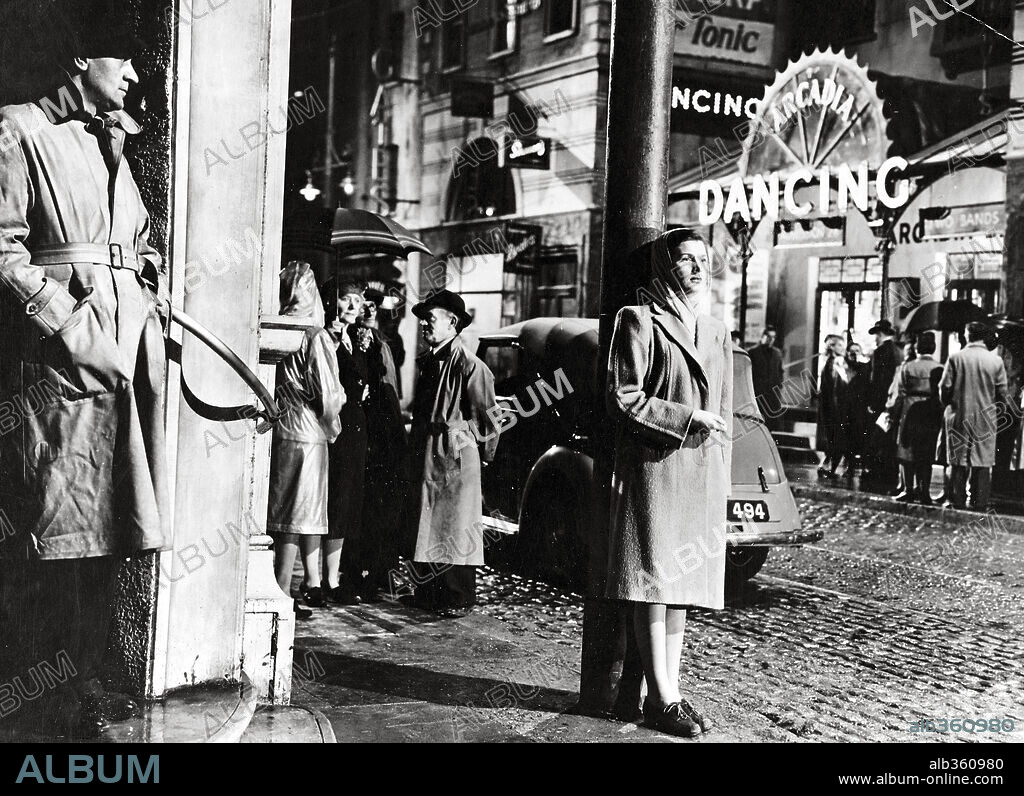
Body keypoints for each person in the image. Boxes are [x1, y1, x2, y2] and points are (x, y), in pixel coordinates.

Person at [0, 18, 169, 737]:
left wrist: (149, 285)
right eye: (123, 60)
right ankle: (43, 709)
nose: (134, 75)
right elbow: (4, 250)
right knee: (55, 540)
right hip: (64, 368)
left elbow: (136, 240)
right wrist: (71, 327)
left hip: (129, 363)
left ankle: (84, 690)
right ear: (80, 56)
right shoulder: (19, 129)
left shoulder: (112, 144)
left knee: (113, 532)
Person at [606, 228, 732, 738]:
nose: (699, 269)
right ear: (665, 267)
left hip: (697, 474)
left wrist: (719, 471)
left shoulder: (717, 330)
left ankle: (669, 691)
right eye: (686, 260)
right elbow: (624, 396)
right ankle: (661, 697)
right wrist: (686, 417)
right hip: (655, 471)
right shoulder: (638, 320)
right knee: (653, 584)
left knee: (680, 586)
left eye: (705, 260)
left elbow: (724, 410)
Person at [405, 289, 499, 616]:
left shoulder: (469, 365)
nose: (424, 326)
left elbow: (487, 416)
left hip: (455, 453)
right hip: (430, 451)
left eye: (430, 320)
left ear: (452, 322)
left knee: (455, 525)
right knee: (428, 520)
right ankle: (427, 592)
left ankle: (458, 595)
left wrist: (480, 453)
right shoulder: (431, 360)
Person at [267, 262, 344, 620]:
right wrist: (333, 421)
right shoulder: (316, 336)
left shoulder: (279, 327)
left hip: (283, 430)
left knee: (283, 517)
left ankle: (279, 587)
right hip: (310, 435)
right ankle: (282, 593)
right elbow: (329, 395)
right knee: (302, 518)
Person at [322, 280, 374, 604]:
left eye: (357, 300)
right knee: (332, 500)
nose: (354, 306)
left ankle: (332, 577)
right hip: (336, 425)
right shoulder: (326, 339)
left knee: (347, 502)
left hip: (356, 427)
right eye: (346, 299)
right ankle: (321, 579)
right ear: (333, 302)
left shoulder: (357, 340)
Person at [357, 289, 407, 601]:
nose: (372, 309)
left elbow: (392, 375)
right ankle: (363, 571)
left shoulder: (388, 342)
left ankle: (382, 570)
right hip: (369, 422)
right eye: (367, 304)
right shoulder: (357, 339)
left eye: (376, 305)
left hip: (387, 419)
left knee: (387, 502)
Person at [940, 322, 1009, 510]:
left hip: (959, 413)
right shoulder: (996, 361)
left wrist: (948, 404)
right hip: (986, 417)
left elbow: (944, 387)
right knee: (983, 460)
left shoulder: (956, 358)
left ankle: (957, 500)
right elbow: (1002, 392)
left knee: (957, 459)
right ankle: (980, 502)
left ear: (968, 335)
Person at [891, 332, 942, 503]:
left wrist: (895, 414)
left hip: (910, 408)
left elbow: (900, 392)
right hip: (930, 410)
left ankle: (908, 489)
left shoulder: (908, 367)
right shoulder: (939, 367)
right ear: (933, 348)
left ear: (917, 347)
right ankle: (924, 491)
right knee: (926, 451)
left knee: (907, 450)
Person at [863, 319, 903, 490]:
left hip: (880, 402)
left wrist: (872, 403)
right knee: (890, 439)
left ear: (880, 335)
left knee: (877, 438)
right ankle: (890, 474)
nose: (875, 339)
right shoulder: (898, 351)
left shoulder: (880, 352)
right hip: (894, 401)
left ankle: (877, 474)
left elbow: (876, 380)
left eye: (876, 336)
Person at [816, 336, 854, 478]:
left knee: (833, 438)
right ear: (832, 347)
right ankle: (829, 467)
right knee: (835, 438)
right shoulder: (837, 362)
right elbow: (840, 385)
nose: (842, 348)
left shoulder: (828, 362)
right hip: (835, 407)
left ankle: (827, 466)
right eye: (839, 345)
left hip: (829, 406)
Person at [749, 325, 784, 430]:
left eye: (773, 337)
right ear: (763, 336)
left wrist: (778, 385)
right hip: (758, 393)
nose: (771, 340)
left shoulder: (777, 354)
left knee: (771, 424)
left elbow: (780, 371)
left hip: (772, 394)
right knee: (757, 423)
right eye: (768, 336)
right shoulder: (753, 352)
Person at [844, 341, 870, 474]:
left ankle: (860, 465)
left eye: (857, 351)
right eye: (851, 351)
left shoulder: (865, 368)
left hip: (859, 407)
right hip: (845, 406)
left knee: (859, 436)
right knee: (846, 436)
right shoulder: (842, 368)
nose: (854, 354)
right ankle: (849, 465)